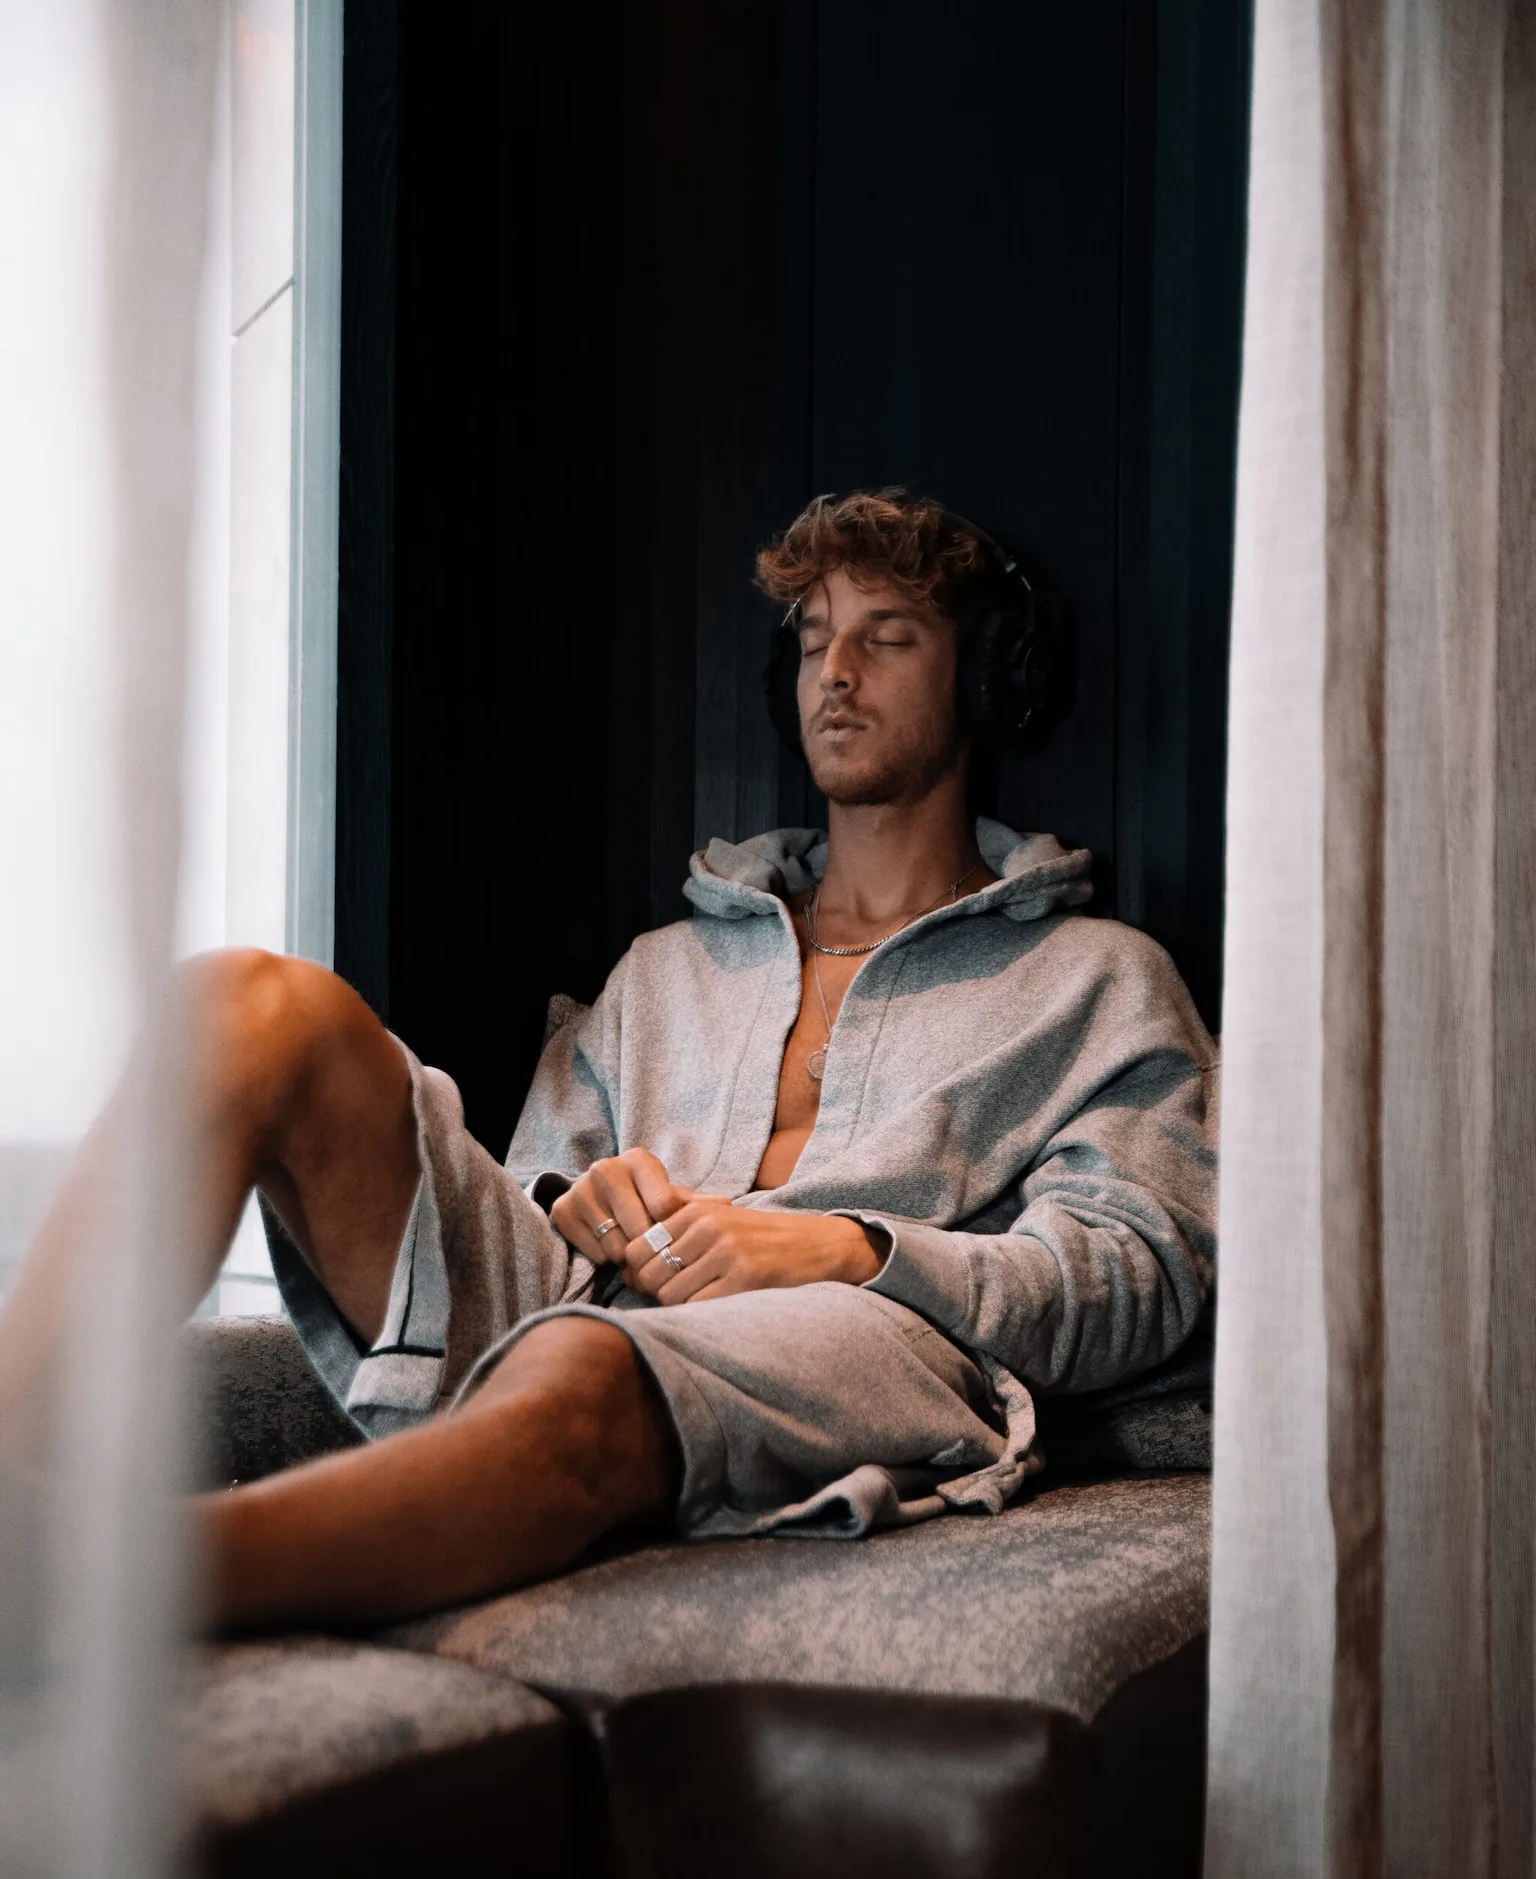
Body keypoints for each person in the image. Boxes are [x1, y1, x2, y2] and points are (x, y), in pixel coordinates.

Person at [18, 488, 1218, 1632]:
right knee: (247, 1002)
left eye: (888, 638)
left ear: (987, 680)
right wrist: (570, 1196)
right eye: (811, 642)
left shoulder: (1097, 977)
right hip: (580, 1294)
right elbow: (540, 1173)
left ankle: (105, 1596)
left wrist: (853, 1246)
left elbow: (1140, 1279)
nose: (836, 676)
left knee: (586, 1365)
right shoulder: (664, 969)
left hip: (861, 1339)